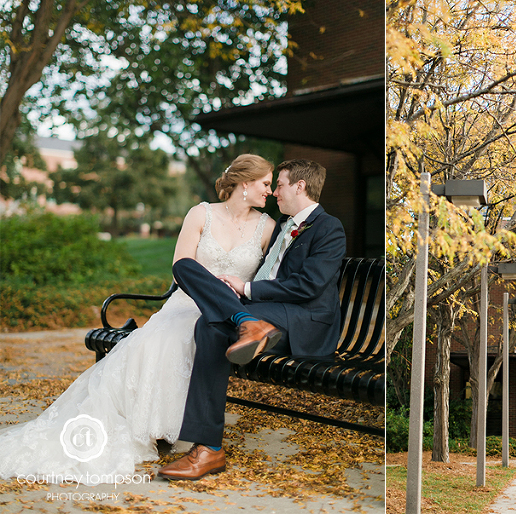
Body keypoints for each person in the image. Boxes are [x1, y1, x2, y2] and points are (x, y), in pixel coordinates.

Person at [0, 154, 276, 485]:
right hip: (186, 303)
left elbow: (268, 281)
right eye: (265, 183)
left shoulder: (267, 227)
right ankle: (150, 424)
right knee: (162, 338)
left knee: (202, 334)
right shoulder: (201, 213)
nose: (270, 191)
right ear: (245, 182)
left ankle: (181, 425)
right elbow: (181, 267)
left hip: (226, 314)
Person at [157, 158, 347, 481]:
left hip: (303, 321)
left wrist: (245, 288)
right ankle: (209, 449)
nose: (275, 193)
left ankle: (208, 447)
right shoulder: (281, 225)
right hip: (266, 313)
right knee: (185, 269)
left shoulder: (329, 228)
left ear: (300, 186)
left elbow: (310, 285)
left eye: (280, 185)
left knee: (211, 324)